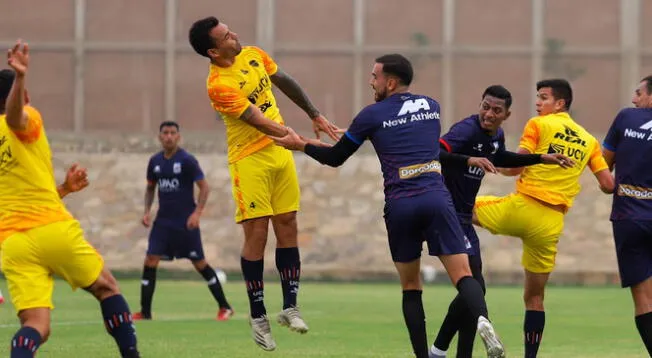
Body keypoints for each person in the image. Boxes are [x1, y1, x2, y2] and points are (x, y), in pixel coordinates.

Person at [271, 54, 505, 358]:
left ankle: (424, 356)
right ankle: (482, 319)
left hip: (401, 203)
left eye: (375, 77)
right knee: (463, 276)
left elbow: (336, 157)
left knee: (411, 286)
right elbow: (411, 138)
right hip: (436, 197)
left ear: (390, 82)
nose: (372, 81)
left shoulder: (371, 114)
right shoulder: (432, 106)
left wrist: (300, 143)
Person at [188, 16, 341, 351]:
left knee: (288, 223)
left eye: (230, 30)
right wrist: (296, 138)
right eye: (227, 36)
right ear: (214, 52)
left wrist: (314, 114)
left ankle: (290, 307)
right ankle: (258, 315)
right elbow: (256, 120)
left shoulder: (253, 54)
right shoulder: (218, 84)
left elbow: (283, 80)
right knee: (257, 232)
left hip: (280, 153)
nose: (235, 36)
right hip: (250, 160)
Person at [0, 40, 140, 358]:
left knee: (36, 325)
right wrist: (20, 78)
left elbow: (16, 194)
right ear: (23, 97)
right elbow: (14, 119)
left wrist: (63, 190)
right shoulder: (25, 118)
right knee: (107, 287)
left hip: (13, 244)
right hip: (52, 228)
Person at [472, 79, 615, 357]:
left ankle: (470, 295)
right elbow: (608, 185)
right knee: (534, 298)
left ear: (559, 103)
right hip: (550, 224)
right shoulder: (589, 141)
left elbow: (513, 167)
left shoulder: (538, 124)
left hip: (520, 208)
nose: (538, 102)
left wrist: (490, 159)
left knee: (456, 208)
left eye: (544, 97)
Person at [430, 85, 573, 358]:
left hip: (463, 214)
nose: (488, 114)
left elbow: (502, 157)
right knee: (474, 288)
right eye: (485, 106)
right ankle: (439, 350)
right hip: (447, 213)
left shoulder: (496, 135)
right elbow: (434, 152)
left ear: (506, 115)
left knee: (473, 290)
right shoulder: (466, 130)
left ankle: (441, 351)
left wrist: (541, 158)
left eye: (496, 110)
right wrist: (468, 159)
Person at [134, 121, 233, 321]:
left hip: (185, 223)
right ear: (160, 137)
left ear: (178, 137)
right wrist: (147, 211)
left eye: (173, 133)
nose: (169, 136)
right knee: (150, 260)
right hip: (163, 223)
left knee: (199, 263)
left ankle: (225, 307)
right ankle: (145, 312)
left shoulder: (187, 160)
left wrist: (197, 214)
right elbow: (151, 188)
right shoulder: (155, 162)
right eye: (165, 133)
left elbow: (204, 187)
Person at [602, 75, 652, 356]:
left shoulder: (626, 118)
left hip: (629, 218)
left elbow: (603, 166)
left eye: (639, 93)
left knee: (644, 301)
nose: (634, 99)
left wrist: (607, 185)